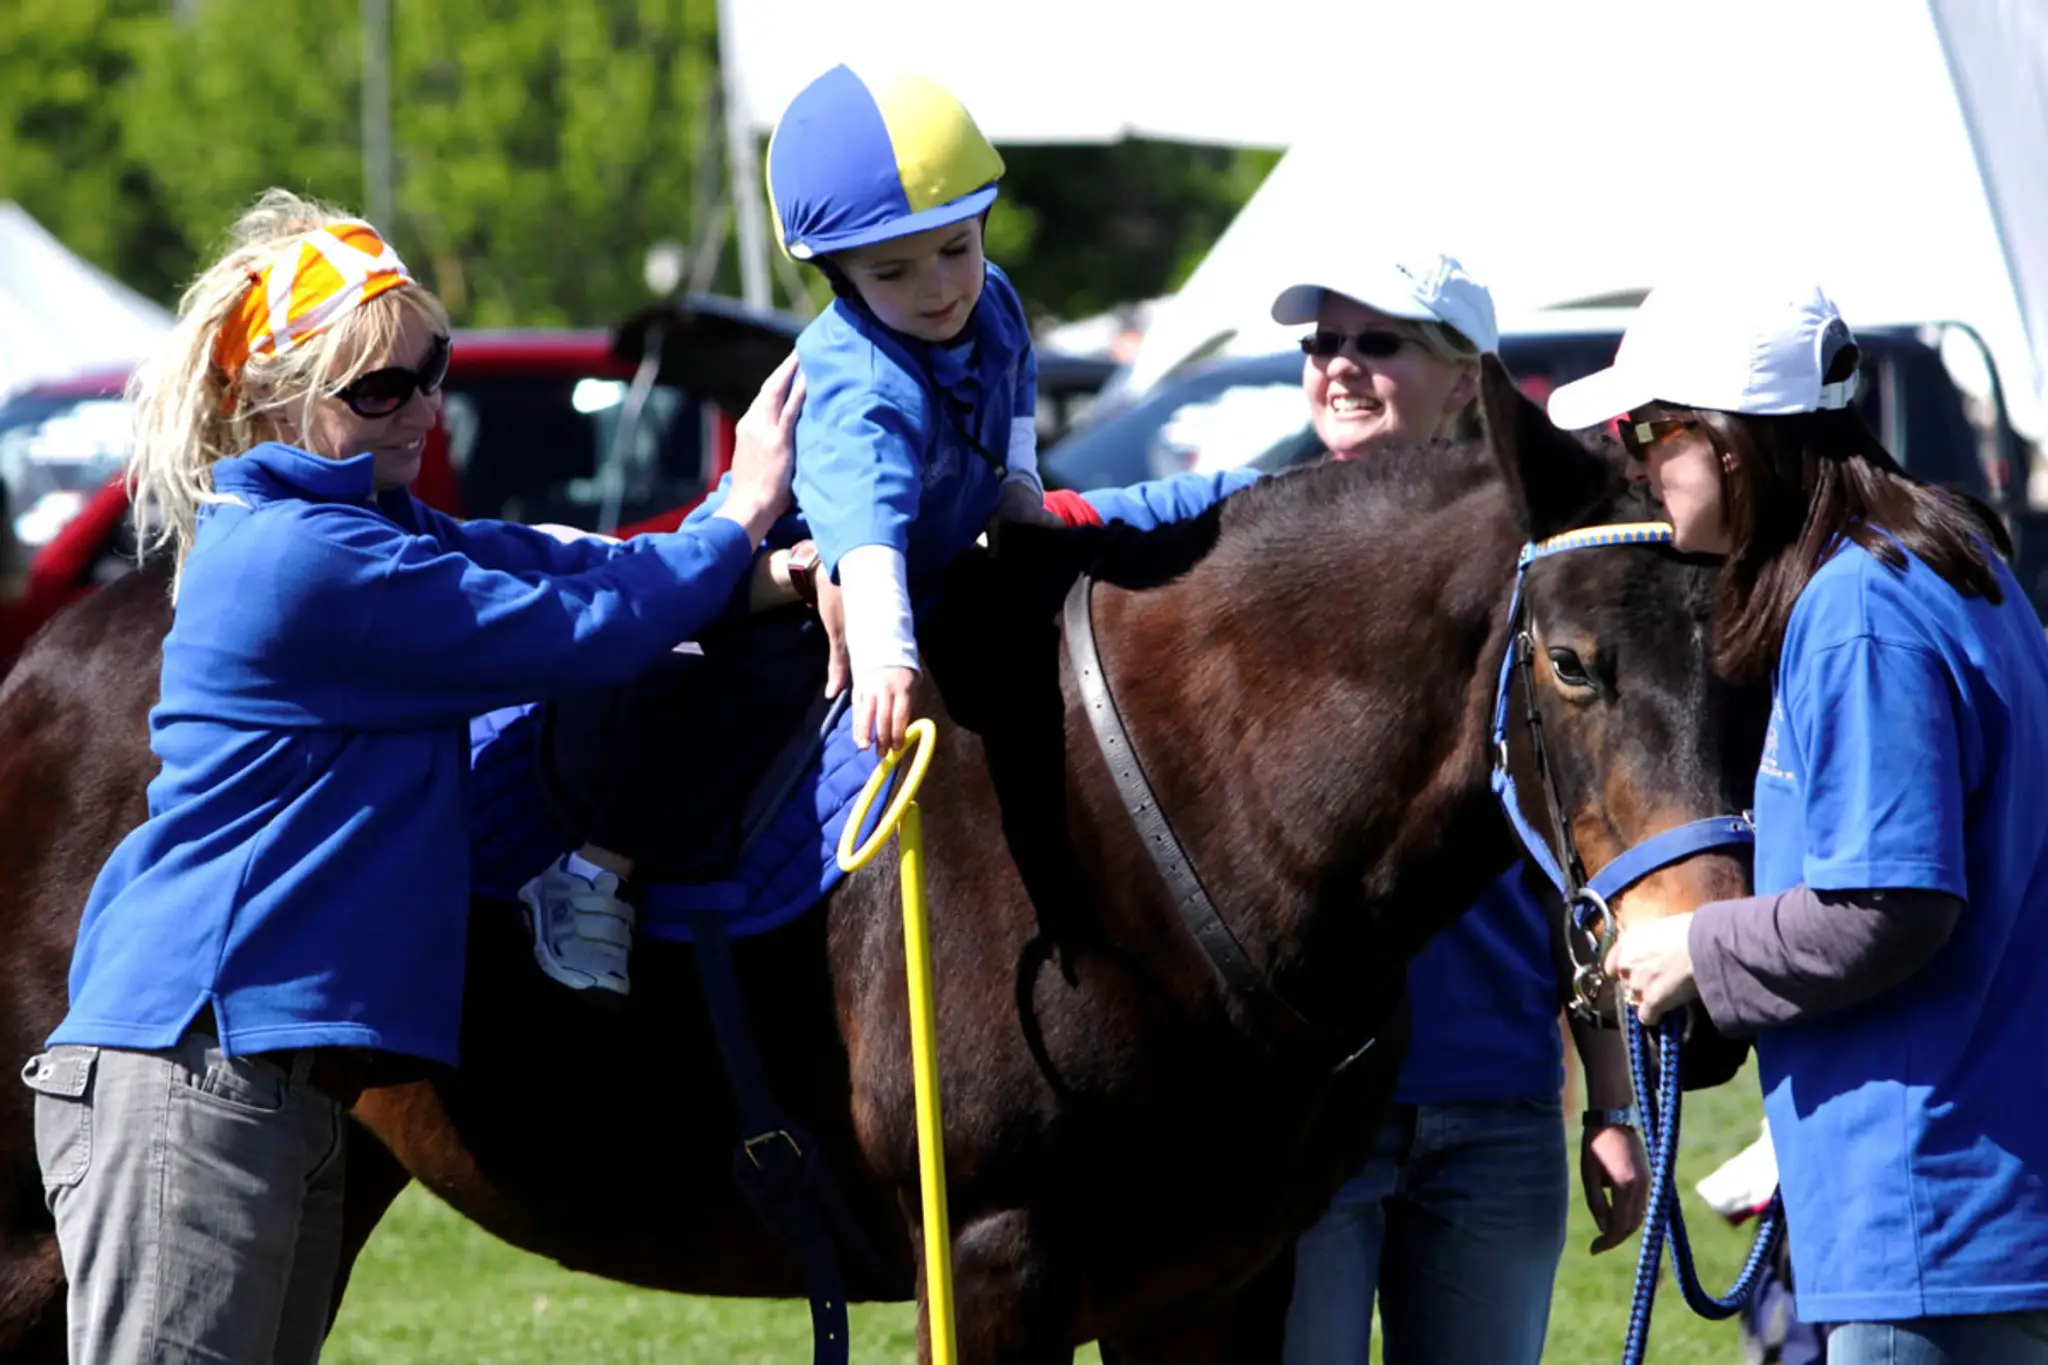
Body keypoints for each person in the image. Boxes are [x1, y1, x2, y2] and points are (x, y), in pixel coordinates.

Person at [17, 187, 800, 1365]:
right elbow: (574, 630)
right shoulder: (306, 557)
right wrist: (737, 517)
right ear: (273, 396)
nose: (423, 409)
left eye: (431, 369)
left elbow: (558, 562)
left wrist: (752, 566)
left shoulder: (366, 527)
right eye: (377, 387)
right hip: (199, 1073)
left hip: (275, 1084)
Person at [1049, 250, 1648, 1365]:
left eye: (1379, 343)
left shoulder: (1544, 564)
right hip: (1295, 1110)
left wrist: (1609, 1100)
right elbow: (1070, 519)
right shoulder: (1239, 538)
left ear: (1465, 378)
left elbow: (1584, 856)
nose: (1340, 367)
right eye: (1322, 343)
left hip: (1493, 1105)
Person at [1557, 275, 2048, 1365]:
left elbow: (1890, 905)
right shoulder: (1946, 566)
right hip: (1966, 1193)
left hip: (1922, 1214)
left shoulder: (1856, 609)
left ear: (1728, 440)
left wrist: (1694, 947)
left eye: (1646, 428)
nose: (1633, 459)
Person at [520, 63, 1059, 999]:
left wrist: (1019, 488)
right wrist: (890, 661)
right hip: (777, 575)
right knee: (760, 687)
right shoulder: (857, 384)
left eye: (957, 248)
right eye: (894, 270)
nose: (940, 289)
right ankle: (596, 869)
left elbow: (1014, 391)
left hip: (911, 565)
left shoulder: (994, 298)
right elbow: (866, 545)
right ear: (838, 275)